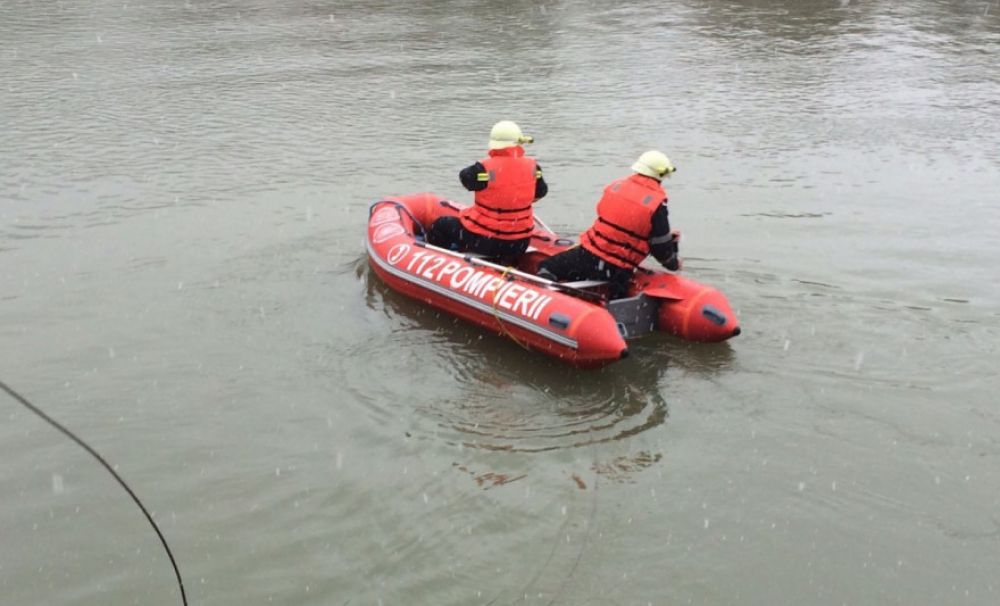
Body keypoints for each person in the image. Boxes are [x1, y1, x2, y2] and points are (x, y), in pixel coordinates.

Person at [537, 150, 681, 300]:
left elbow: (607, 217)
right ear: (662, 175)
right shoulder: (657, 204)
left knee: (546, 268)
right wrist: (673, 263)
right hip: (619, 269)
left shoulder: (615, 187)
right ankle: (612, 311)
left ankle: (551, 302)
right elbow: (660, 248)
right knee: (617, 297)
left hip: (588, 257)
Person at [427, 121, 548, 261]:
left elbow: (466, 179)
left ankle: (436, 261)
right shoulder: (533, 167)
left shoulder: (483, 169)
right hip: (520, 242)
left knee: (442, 225)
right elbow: (540, 192)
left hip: (487, 240)